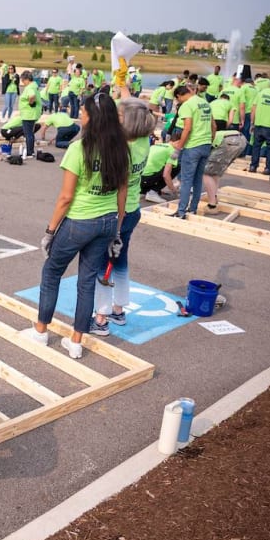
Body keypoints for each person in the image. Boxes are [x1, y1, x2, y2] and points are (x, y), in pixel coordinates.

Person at [27, 92, 128, 359]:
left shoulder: (79, 149)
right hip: (106, 221)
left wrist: (50, 231)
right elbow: (123, 193)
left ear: (92, 117)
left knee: (52, 272)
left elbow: (66, 197)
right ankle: (76, 341)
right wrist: (117, 229)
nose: (80, 115)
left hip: (80, 221)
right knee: (86, 282)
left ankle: (40, 330)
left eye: (83, 111)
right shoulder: (120, 149)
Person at [89, 97, 152, 335]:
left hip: (120, 212)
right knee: (121, 261)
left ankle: (102, 318)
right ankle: (118, 309)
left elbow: (121, 192)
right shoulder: (144, 139)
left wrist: (116, 227)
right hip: (133, 210)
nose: (116, 118)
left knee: (103, 265)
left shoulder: (122, 150)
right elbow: (136, 106)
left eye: (120, 116)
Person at [171, 85, 216, 218]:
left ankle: (181, 212)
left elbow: (187, 128)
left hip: (192, 146)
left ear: (179, 96)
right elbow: (213, 125)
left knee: (186, 180)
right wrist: (210, 141)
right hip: (205, 145)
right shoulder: (204, 102)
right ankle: (193, 209)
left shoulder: (186, 105)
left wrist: (178, 148)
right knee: (197, 180)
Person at [202, 129, 247, 214]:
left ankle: (212, 206)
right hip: (240, 139)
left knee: (206, 172)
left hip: (228, 141)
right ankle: (213, 197)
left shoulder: (199, 141)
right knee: (216, 171)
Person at [140, 137, 180, 203]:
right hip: (147, 180)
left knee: (163, 166)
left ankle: (151, 190)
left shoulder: (155, 145)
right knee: (176, 167)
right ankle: (152, 193)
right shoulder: (172, 151)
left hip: (140, 181)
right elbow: (165, 175)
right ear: (178, 142)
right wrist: (173, 190)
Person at [18, 71, 42, 158]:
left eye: (23, 81)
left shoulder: (30, 88)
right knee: (30, 133)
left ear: (27, 79)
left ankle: (29, 152)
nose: (23, 83)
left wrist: (30, 103)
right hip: (31, 113)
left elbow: (32, 96)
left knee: (28, 134)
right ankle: (31, 151)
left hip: (28, 114)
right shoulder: (34, 86)